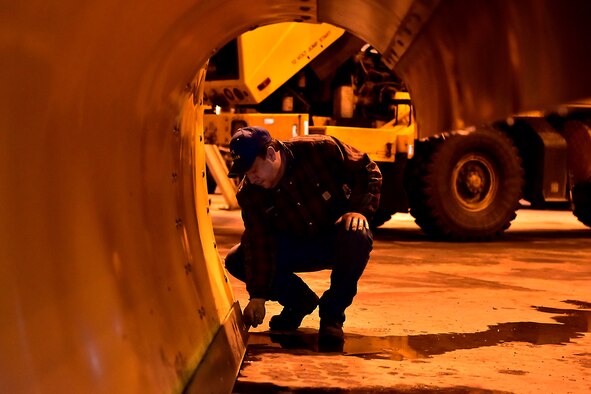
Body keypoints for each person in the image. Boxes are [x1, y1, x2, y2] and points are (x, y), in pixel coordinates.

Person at [224, 126, 382, 350]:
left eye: (253, 169)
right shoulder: (250, 193)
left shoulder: (320, 150)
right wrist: (257, 295)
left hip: (333, 239)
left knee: (357, 233)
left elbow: (367, 170)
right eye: (245, 173)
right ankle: (298, 301)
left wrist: (359, 210)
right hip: (294, 246)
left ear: (270, 153)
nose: (251, 178)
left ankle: (332, 317)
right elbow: (259, 241)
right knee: (237, 259)